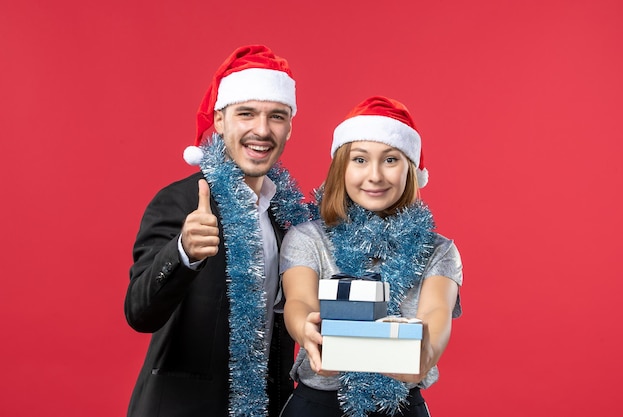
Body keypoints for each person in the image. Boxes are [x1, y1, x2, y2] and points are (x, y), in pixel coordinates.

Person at [124, 45, 314, 417]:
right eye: (246, 114)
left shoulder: (289, 218)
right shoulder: (180, 201)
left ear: (290, 126)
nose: (262, 130)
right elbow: (139, 312)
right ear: (221, 120)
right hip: (183, 408)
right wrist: (183, 252)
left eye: (276, 116)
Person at [279, 96, 463, 417]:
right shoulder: (308, 238)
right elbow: (299, 301)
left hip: (401, 404)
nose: (375, 176)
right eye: (360, 160)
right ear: (341, 168)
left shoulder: (439, 249)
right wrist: (304, 329)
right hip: (318, 403)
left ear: (411, 169)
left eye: (390, 160)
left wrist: (426, 352)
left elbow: (436, 311)